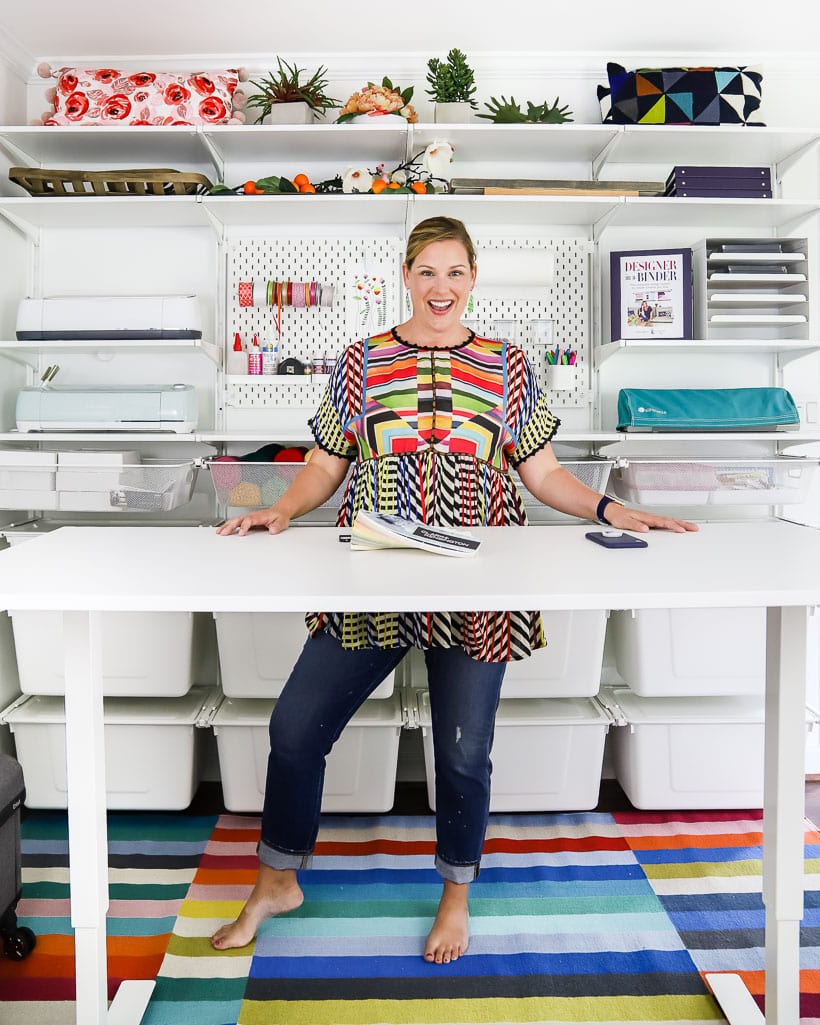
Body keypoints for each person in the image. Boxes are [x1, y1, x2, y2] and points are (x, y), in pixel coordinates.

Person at [211, 216, 698, 964]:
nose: (441, 287)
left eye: (455, 272)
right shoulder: (359, 361)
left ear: (473, 278)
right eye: (427, 271)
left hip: (479, 575)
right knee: (295, 726)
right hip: (372, 567)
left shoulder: (507, 365)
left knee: (465, 751)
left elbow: (541, 473)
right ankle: (277, 878)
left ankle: (455, 894)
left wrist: (609, 507)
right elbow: (325, 464)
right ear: (405, 275)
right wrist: (280, 507)